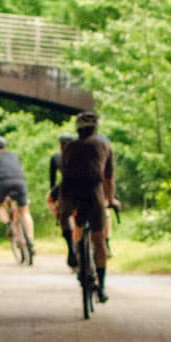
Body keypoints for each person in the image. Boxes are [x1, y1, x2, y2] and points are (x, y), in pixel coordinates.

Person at [55, 111, 116, 302]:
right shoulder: (104, 145)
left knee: (66, 218)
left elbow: (64, 174)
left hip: (70, 191)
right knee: (99, 239)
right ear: (95, 128)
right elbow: (108, 178)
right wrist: (111, 200)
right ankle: (102, 287)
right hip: (93, 191)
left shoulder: (69, 147)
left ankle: (73, 251)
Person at [0, 134, 33, 260]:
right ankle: (30, 240)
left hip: (3, 183)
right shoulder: (14, 156)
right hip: (21, 182)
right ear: (5, 147)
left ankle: (9, 223)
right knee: (25, 211)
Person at [47, 131, 76, 269]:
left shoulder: (56, 157)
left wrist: (53, 193)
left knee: (50, 200)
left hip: (64, 188)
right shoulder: (81, 155)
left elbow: (52, 181)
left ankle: (59, 216)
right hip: (83, 186)